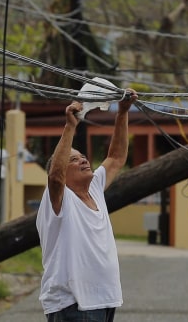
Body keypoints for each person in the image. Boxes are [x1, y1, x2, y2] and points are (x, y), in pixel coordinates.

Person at [36, 88, 138, 321]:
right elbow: (55, 177)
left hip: (104, 300)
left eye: (82, 156)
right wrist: (71, 126)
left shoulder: (94, 189)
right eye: (74, 159)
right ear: (63, 169)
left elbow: (116, 158)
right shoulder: (59, 199)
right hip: (73, 304)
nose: (83, 159)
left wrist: (122, 112)